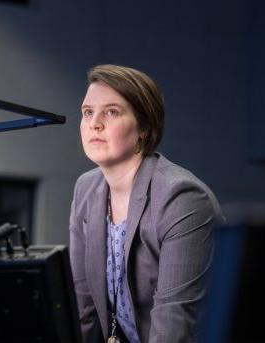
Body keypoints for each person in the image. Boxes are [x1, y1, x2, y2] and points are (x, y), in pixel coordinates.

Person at [69, 64, 223, 342]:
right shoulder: (86, 189)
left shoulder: (182, 197)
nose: (95, 123)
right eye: (88, 112)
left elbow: (174, 323)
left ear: (144, 127)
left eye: (112, 112)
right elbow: (83, 309)